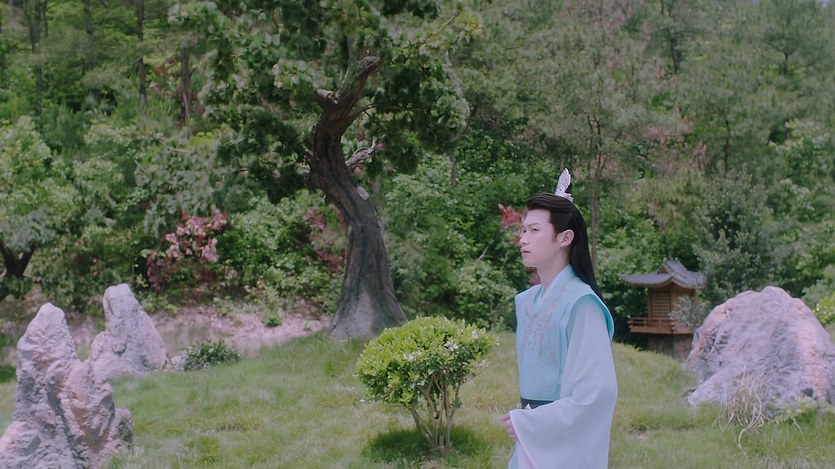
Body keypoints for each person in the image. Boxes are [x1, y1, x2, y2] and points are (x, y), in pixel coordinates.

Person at [499, 169, 617, 469]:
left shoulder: (582, 304)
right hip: (532, 441)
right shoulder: (527, 302)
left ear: (565, 237)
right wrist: (527, 423)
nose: (523, 239)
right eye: (523, 230)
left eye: (534, 230)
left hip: (562, 447)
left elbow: (597, 393)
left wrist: (530, 423)